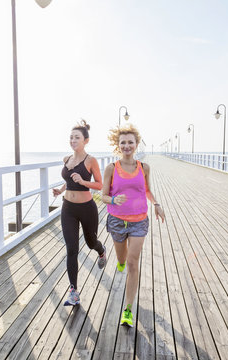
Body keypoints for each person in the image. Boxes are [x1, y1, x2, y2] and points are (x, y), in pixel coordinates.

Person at [101, 124, 165, 327]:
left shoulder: (144, 168)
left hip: (139, 221)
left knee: (132, 263)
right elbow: (103, 195)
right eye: (123, 142)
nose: (127, 145)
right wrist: (113, 200)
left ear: (136, 144)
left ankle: (128, 309)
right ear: (118, 145)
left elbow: (147, 191)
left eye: (130, 142)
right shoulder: (111, 168)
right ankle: (119, 260)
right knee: (122, 258)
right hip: (117, 221)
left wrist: (156, 204)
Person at [53, 120, 107, 306]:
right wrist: (61, 190)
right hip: (68, 209)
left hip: (87, 209)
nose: (73, 140)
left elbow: (100, 185)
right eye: (71, 137)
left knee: (91, 242)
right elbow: (69, 181)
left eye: (77, 137)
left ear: (86, 140)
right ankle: (73, 291)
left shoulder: (91, 161)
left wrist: (84, 182)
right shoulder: (66, 159)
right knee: (71, 249)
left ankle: (101, 251)